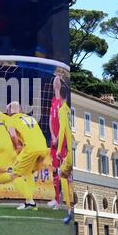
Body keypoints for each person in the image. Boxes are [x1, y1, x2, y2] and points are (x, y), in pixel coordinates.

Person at [4, 101, 48, 210]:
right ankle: (29, 202)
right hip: (43, 148)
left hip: (30, 148)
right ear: (21, 109)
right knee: (29, 173)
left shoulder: (10, 120)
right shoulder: (31, 118)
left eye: (7, 110)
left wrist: (16, 146)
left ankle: (30, 202)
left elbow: (13, 135)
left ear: (9, 111)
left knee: (13, 174)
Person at [47, 75, 66, 210]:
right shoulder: (53, 101)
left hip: (61, 142)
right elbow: (49, 120)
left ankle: (61, 201)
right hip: (53, 141)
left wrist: (58, 138)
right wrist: (53, 136)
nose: (55, 82)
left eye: (57, 82)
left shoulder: (63, 104)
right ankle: (56, 198)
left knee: (62, 171)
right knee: (54, 170)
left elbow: (63, 124)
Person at [57, 85, 73, 224]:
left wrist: (57, 150)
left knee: (62, 176)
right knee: (68, 177)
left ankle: (69, 210)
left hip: (69, 151)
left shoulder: (62, 110)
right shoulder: (69, 109)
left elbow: (62, 130)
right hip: (74, 151)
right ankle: (70, 206)